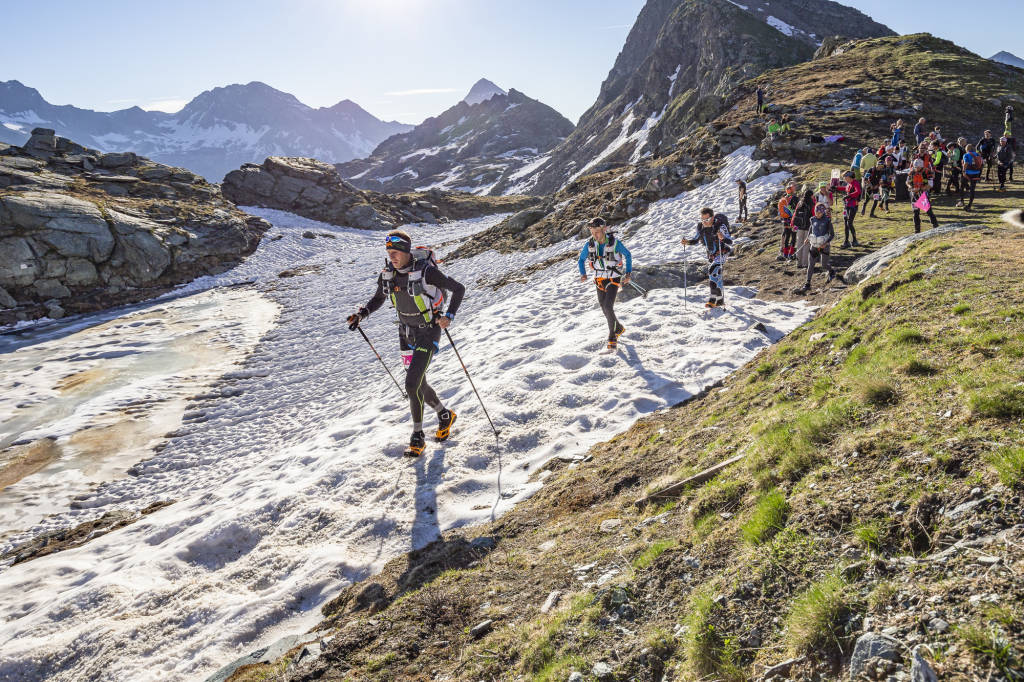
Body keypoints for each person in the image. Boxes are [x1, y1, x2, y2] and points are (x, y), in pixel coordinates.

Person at [348, 230, 465, 457]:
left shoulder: (427, 271)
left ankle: (417, 436)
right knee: (418, 384)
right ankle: (444, 415)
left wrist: (449, 316)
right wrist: (362, 314)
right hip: (405, 334)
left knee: (411, 384)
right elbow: (379, 298)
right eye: (389, 252)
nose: (391, 256)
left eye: (395, 252)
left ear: (406, 251)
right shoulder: (387, 275)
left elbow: (458, 289)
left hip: (428, 332)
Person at [578, 217, 632, 352]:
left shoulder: (615, 243)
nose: (595, 235)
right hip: (599, 279)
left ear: (604, 229)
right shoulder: (589, 245)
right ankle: (618, 328)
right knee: (604, 307)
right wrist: (583, 273)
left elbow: (628, 255)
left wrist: (628, 274)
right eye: (592, 232)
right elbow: (581, 259)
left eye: (597, 232)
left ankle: (612, 337)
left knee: (608, 306)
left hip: (613, 278)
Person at [683, 208, 733, 308]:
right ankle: (720, 300)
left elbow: (730, 241)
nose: (704, 222)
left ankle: (712, 299)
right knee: (716, 275)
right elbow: (695, 240)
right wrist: (687, 242)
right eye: (702, 219)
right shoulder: (700, 227)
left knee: (712, 271)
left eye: (707, 219)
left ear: (712, 217)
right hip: (711, 255)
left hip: (722, 252)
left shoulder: (720, 226)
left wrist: (722, 238)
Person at [794, 203, 838, 294]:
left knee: (824, 264)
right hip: (814, 245)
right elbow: (811, 228)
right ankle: (807, 284)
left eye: (819, 212)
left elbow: (832, 234)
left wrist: (826, 243)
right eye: (816, 212)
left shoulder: (827, 221)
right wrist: (807, 238)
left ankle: (832, 271)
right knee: (811, 265)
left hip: (824, 246)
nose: (817, 214)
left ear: (823, 212)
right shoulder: (812, 219)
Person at [907, 159, 938, 232]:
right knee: (915, 212)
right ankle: (917, 230)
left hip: (923, 194)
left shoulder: (927, 172)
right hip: (914, 194)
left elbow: (930, 184)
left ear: (922, 166)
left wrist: (920, 189)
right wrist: (911, 187)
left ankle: (935, 225)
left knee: (928, 211)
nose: (917, 169)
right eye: (915, 167)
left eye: (918, 167)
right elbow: (907, 182)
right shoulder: (912, 172)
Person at [833, 170, 862, 247]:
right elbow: (845, 188)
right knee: (846, 222)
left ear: (849, 177)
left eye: (845, 177)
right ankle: (846, 241)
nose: (844, 179)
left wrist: (848, 196)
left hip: (853, 205)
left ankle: (855, 240)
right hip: (847, 205)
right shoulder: (849, 184)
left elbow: (858, 191)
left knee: (849, 223)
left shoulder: (855, 183)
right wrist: (836, 187)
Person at [792, 185, 815, 267]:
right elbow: (814, 215)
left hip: (799, 226)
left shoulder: (800, 203)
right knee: (806, 245)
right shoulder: (812, 203)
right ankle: (805, 264)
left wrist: (793, 224)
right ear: (811, 195)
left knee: (799, 244)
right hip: (808, 227)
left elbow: (795, 214)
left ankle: (798, 263)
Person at [777, 182, 797, 260]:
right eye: (794, 186)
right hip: (794, 220)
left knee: (787, 236)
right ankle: (791, 253)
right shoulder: (794, 198)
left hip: (785, 220)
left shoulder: (782, 199)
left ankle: (785, 253)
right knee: (794, 236)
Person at [961, 144, 984, 210]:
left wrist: (963, 171)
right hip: (976, 173)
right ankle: (969, 205)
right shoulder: (977, 154)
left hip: (968, 173)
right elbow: (982, 164)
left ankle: (962, 201)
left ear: (967, 149)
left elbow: (966, 163)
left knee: (962, 186)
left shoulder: (966, 155)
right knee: (972, 189)